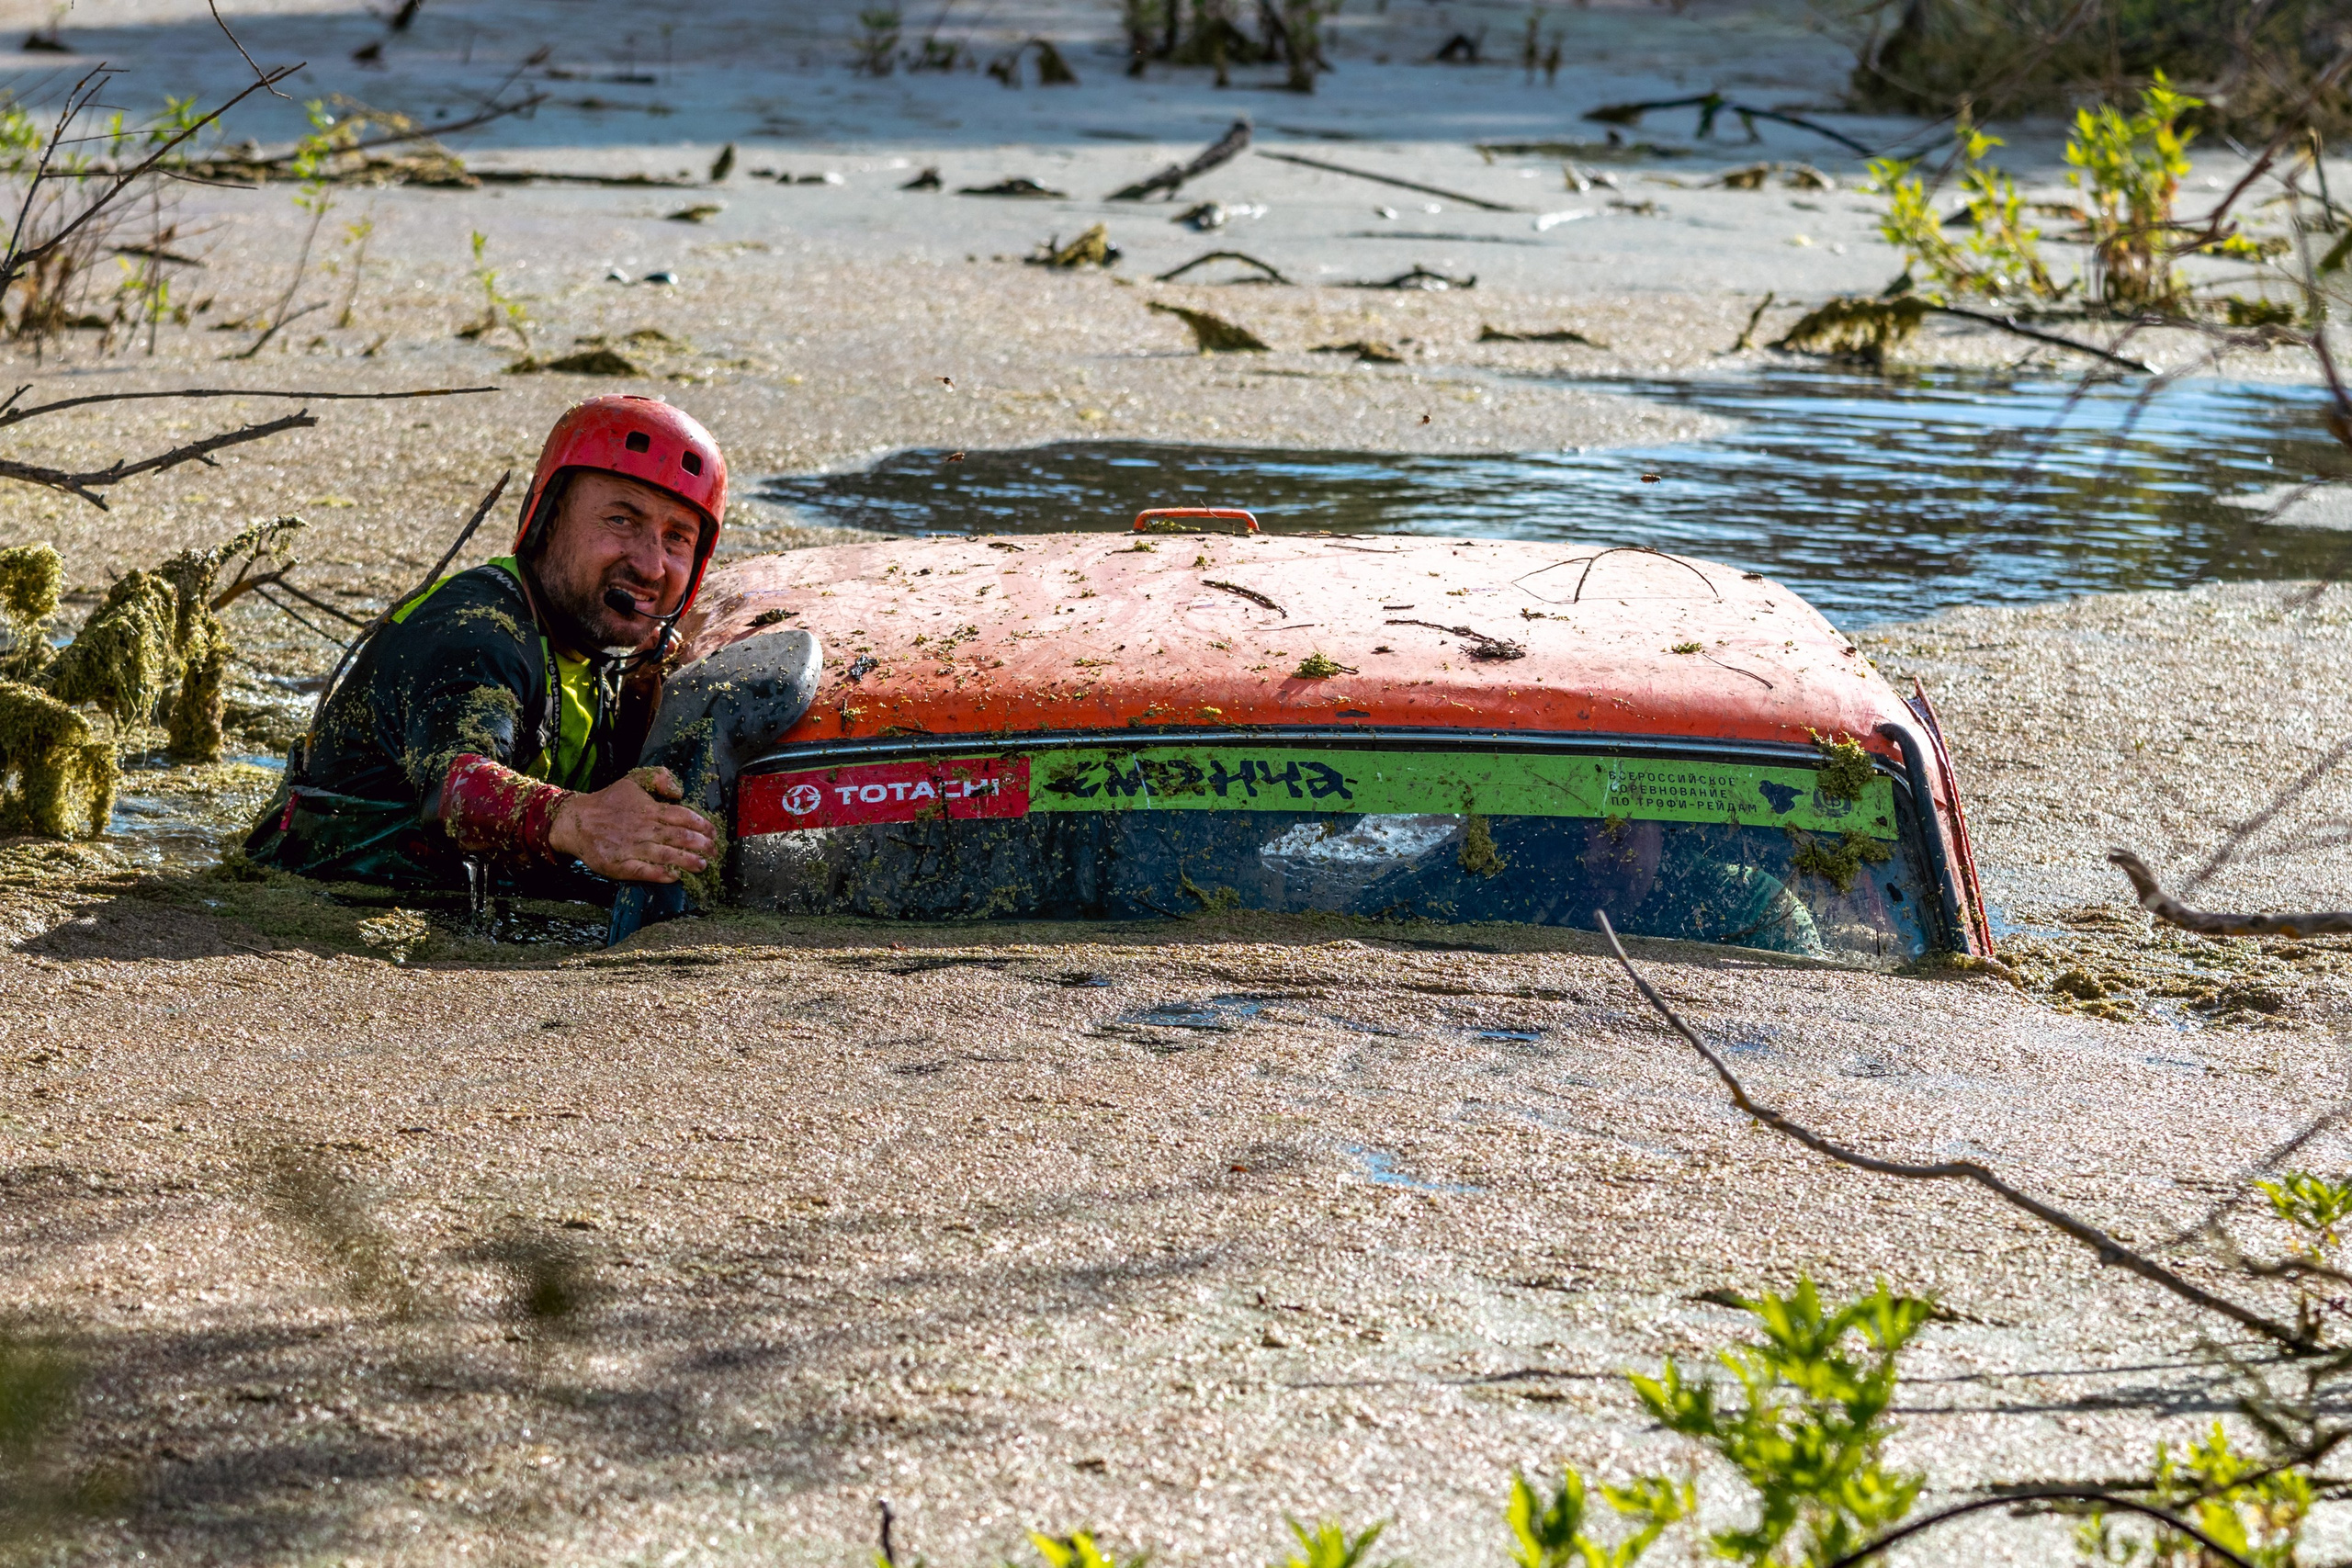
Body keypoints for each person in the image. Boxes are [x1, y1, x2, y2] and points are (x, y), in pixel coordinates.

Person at [244, 395, 725, 897]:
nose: (650, 566)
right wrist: (581, 821)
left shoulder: (598, 646)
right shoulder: (475, 633)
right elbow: (455, 791)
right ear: (546, 521)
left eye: (677, 538)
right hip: (322, 902)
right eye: (621, 521)